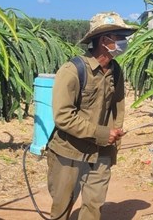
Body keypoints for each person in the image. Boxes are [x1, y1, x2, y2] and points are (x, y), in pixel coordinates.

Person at [47, 11, 136, 219]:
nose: (124, 42)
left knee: (94, 206)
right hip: (69, 152)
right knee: (62, 208)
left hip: (101, 152)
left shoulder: (116, 71)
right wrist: (102, 133)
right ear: (105, 40)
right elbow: (63, 116)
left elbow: (118, 106)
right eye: (119, 37)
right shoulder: (72, 70)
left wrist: (114, 138)